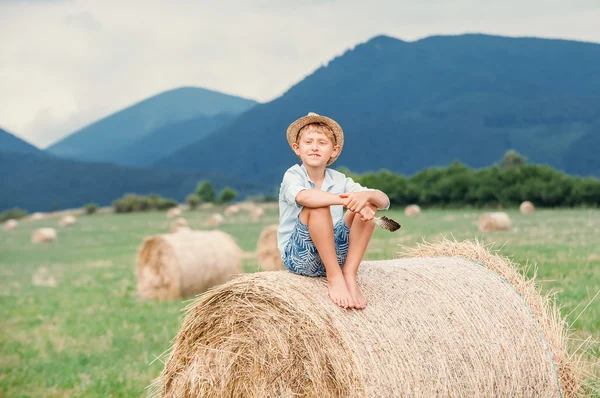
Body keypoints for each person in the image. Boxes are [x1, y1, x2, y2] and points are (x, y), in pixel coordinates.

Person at [278, 112, 390, 309]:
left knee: (368, 205)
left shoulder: (339, 179)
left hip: (337, 252)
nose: (314, 147)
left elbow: (384, 200)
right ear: (297, 148)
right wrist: (348, 201)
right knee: (318, 206)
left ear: (334, 150)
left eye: (322, 142)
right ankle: (334, 276)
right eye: (308, 142)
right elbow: (305, 197)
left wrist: (365, 198)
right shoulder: (293, 175)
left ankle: (349, 274)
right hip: (300, 256)